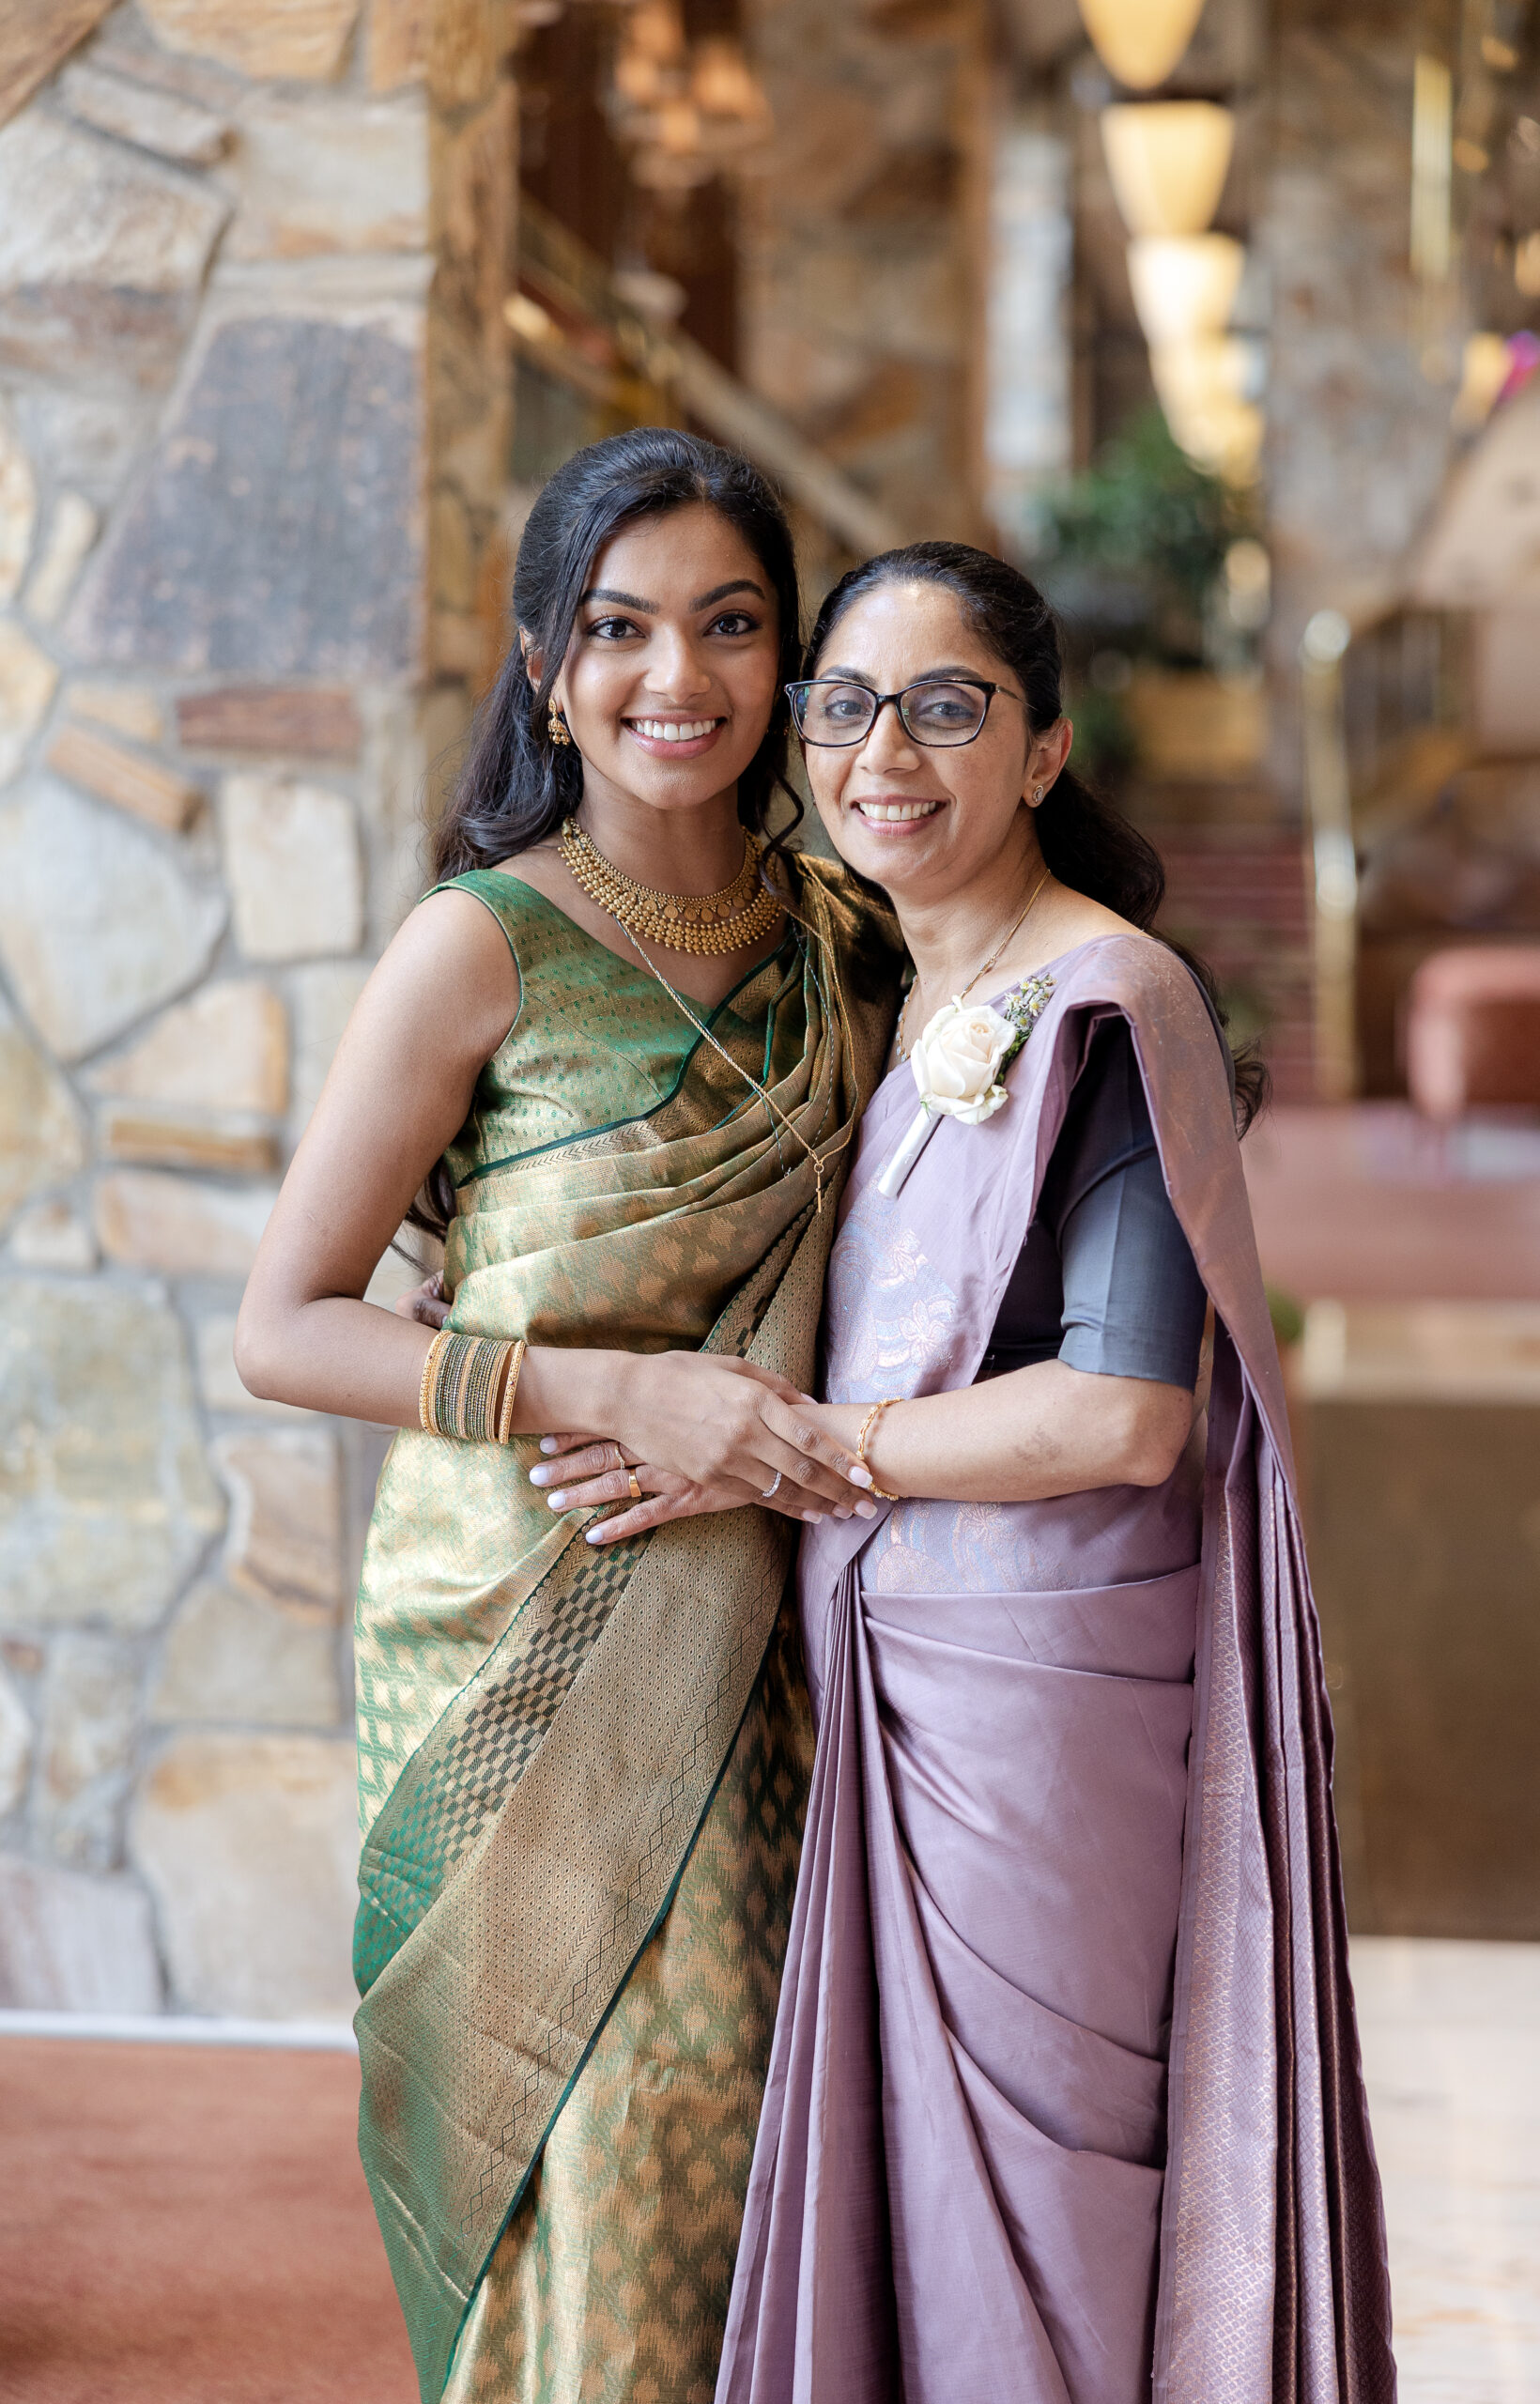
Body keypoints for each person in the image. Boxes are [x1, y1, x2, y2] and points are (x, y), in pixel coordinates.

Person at [551, 542, 1395, 2404]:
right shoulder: (876, 996)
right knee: (915, 2227)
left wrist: (796, 1451)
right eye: (846, 707)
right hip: (883, 1660)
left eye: (946, 708)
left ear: (1042, 749)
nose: (885, 755)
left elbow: (1123, 1413)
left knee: (1042, 2219)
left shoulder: (1106, 998)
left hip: (1038, 1699)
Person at [232, 428, 901, 2404]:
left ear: (788, 660)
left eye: (730, 623)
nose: (674, 676)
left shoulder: (850, 938)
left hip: (771, 1624)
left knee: (735, 2135)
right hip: (509, 1627)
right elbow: (284, 1326)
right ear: (544, 665)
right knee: (574, 2140)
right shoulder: (478, 941)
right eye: (618, 628)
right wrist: (610, 1388)